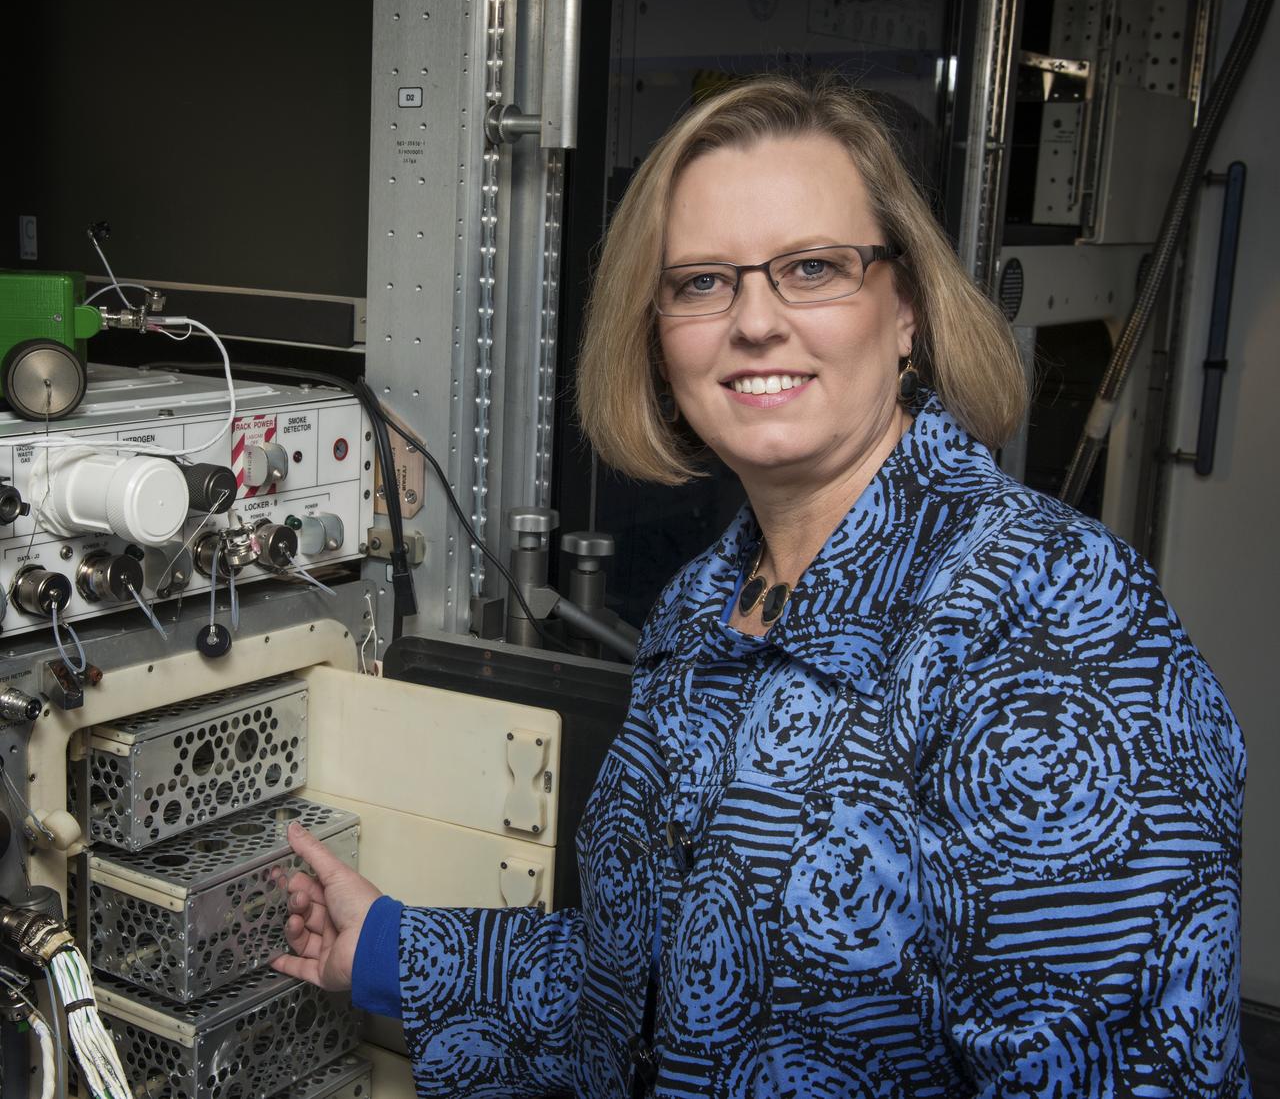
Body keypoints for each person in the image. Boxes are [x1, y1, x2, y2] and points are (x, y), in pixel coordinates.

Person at [274, 77, 1250, 1098]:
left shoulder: (1049, 618)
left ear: (907, 305)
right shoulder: (706, 606)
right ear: (655, 331)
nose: (752, 321)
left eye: (813, 268)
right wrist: (385, 944)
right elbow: (658, 992)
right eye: (699, 282)